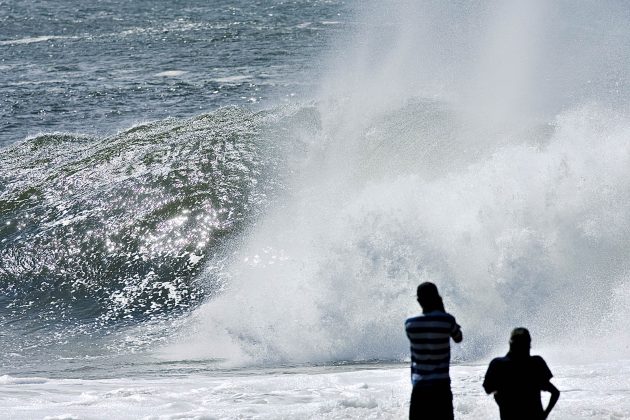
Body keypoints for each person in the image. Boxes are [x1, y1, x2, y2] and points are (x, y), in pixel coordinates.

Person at [405, 282, 463, 420]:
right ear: (438, 298)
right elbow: (458, 338)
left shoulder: (410, 324)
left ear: (419, 300)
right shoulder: (447, 320)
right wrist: (442, 309)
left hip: (419, 386)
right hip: (441, 386)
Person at [483, 328, 560, 420]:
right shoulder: (536, 363)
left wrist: (502, 399)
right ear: (529, 344)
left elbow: (488, 389)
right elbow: (555, 392)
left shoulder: (498, 364)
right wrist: (545, 414)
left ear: (510, 343)